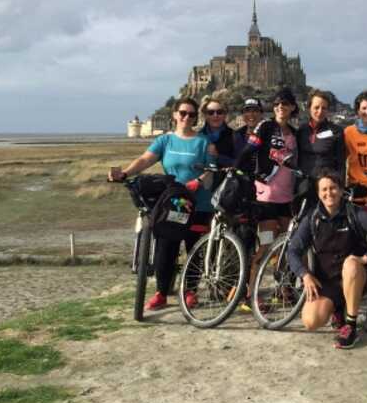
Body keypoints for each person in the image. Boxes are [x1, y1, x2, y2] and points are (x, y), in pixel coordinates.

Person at [108, 97, 215, 310]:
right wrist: (125, 173)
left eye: (192, 114)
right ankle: (162, 293)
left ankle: (190, 291)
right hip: (173, 204)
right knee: (165, 249)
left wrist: (198, 182)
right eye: (183, 113)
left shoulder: (205, 143)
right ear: (175, 115)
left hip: (199, 204)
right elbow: (145, 160)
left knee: (194, 249)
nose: (186, 117)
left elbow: (211, 172)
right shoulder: (165, 141)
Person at [286, 169, 367, 349]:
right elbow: (293, 250)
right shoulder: (312, 217)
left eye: (333, 188)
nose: (329, 193)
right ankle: (338, 308)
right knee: (310, 321)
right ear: (319, 193)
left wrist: (366, 259)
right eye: (324, 189)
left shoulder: (354, 213)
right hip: (327, 281)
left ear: (341, 189)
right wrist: (304, 274)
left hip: (356, 276)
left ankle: (350, 326)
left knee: (351, 263)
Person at [235, 87, 300, 306]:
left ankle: (282, 290)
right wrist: (236, 170)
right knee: (265, 247)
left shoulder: (294, 132)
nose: (281, 107)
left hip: (287, 198)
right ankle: (251, 293)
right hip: (265, 198)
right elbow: (248, 150)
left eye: (285, 103)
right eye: (277, 104)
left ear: (292, 107)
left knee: (286, 248)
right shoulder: (265, 126)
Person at [296, 89, 346, 194]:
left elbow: (341, 163)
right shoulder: (301, 130)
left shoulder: (336, 131)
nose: (320, 111)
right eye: (316, 107)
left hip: (327, 188)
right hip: (303, 186)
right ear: (309, 108)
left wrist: (341, 187)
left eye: (324, 108)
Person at [199, 96, 237, 189]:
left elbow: (241, 164)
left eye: (219, 112)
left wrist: (218, 157)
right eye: (210, 112)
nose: (215, 115)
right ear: (205, 115)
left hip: (226, 190)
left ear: (225, 114)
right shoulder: (197, 137)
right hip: (200, 189)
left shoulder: (235, 136)